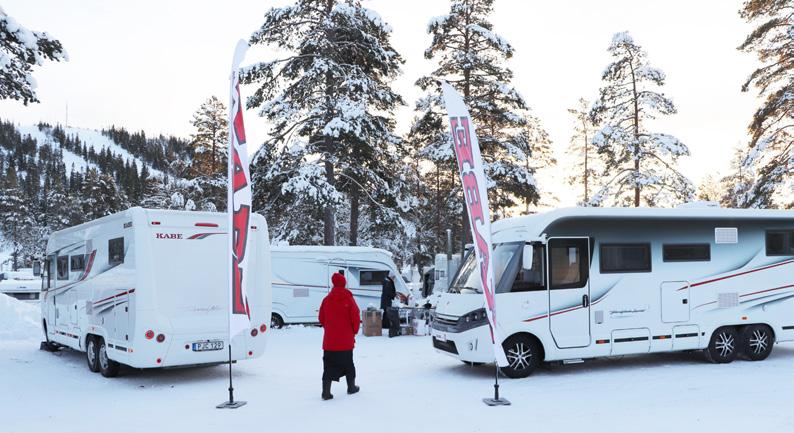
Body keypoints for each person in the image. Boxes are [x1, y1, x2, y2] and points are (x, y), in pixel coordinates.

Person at [318, 272, 360, 400]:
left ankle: (326, 393)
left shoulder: (326, 300)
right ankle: (351, 387)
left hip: (330, 342)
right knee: (348, 364)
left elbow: (321, 318)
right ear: (344, 283)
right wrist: (354, 331)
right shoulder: (349, 299)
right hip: (346, 341)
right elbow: (356, 317)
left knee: (328, 366)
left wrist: (330, 328)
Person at [381, 271, 400, 337]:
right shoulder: (387, 282)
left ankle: (385, 325)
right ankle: (385, 325)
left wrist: (395, 293)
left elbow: (390, 290)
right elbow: (388, 292)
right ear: (391, 276)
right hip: (386, 300)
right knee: (387, 312)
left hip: (386, 300)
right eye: (394, 277)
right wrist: (394, 295)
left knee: (386, 312)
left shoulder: (388, 281)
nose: (394, 278)